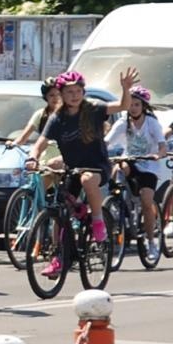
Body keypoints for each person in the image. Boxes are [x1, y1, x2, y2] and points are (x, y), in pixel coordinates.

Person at [26, 68, 137, 271]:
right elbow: (42, 140)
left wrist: (125, 89)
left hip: (97, 166)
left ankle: (97, 221)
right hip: (73, 168)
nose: (74, 96)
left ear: (83, 92)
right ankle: (58, 257)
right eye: (69, 92)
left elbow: (122, 105)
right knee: (60, 211)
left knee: (87, 179)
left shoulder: (93, 109)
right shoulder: (57, 118)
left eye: (78, 91)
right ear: (61, 94)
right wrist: (33, 156)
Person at [105, 84, 166, 243]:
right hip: (130, 161)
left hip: (148, 166)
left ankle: (151, 240)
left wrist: (157, 155)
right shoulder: (122, 123)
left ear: (143, 106)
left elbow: (162, 146)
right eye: (130, 104)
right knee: (119, 166)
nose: (133, 108)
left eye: (137, 104)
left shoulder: (151, 123)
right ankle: (118, 203)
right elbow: (107, 142)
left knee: (146, 202)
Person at [5, 77, 62, 148]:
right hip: (43, 157)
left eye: (59, 94)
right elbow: (23, 137)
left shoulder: (72, 114)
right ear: (46, 97)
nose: (56, 98)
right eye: (51, 95)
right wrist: (13, 143)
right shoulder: (40, 114)